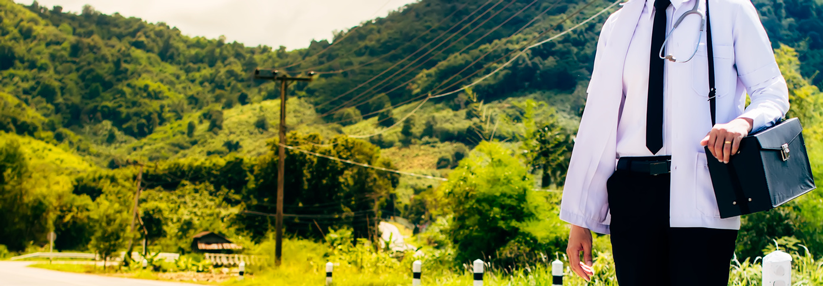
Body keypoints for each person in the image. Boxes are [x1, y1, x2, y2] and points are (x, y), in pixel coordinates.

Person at [560, 0, 789, 285]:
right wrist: (580, 219)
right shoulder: (618, 25)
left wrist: (742, 123)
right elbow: (599, 122)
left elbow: (772, 91)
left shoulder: (729, 10)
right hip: (632, 191)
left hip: (703, 187)